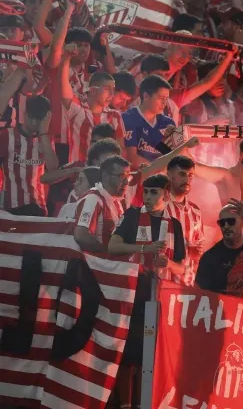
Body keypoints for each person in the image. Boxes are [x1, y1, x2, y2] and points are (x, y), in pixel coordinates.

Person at [107, 174, 185, 408]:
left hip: (162, 294)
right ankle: (125, 403)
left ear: (166, 195)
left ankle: (148, 402)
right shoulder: (132, 215)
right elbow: (113, 246)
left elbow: (181, 267)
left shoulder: (175, 225)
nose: (148, 197)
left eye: (154, 192)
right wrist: (145, 247)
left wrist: (168, 264)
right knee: (128, 351)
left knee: (154, 353)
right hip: (134, 291)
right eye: (146, 192)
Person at [0, 95, 58, 216]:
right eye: (31, 117)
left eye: (38, 119)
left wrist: (43, 133)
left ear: (46, 118)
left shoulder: (46, 139)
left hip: (39, 206)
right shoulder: (7, 135)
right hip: (12, 207)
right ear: (25, 113)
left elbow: (53, 167)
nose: (33, 123)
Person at [73, 155, 130, 252]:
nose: (126, 182)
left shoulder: (116, 201)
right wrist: (107, 253)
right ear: (105, 176)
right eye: (122, 176)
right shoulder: (93, 199)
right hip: (96, 265)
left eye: (128, 177)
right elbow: (81, 236)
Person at [164, 155, 205, 286]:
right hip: (162, 283)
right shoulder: (159, 206)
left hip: (187, 285)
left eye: (190, 175)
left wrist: (196, 254)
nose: (187, 179)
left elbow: (198, 252)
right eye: (182, 174)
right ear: (169, 175)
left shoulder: (196, 211)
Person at [122, 75, 176, 168]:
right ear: (146, 96)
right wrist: (159, 170)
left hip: (163, 177)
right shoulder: (128, 118)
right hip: (137, 177)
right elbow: (131, 158)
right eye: (160, 98)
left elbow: (173, 157)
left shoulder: (168, 123)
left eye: (166, 99)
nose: (164, 103)